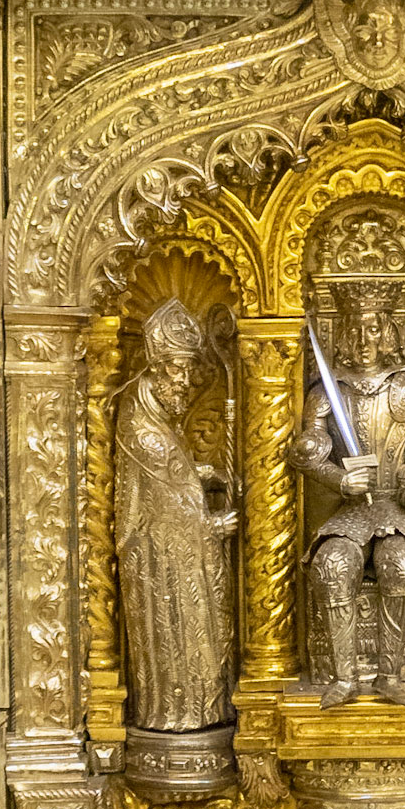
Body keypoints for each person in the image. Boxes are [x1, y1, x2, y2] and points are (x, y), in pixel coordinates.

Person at [289, 278, 405, 707]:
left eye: (375, 328)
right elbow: (308, 455)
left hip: (392, 508)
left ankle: (391, 675)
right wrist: (339, 479)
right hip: (349, 510)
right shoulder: (326, 393)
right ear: (347, 333)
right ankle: (343, 677)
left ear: (388, 330)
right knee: (333, 564)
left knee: (403, 564)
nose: (366, 338)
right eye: (358, 328)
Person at [114, 297, 236, 733]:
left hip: (173, 555)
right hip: (164, 564)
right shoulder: (145, 430)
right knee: (183, 641)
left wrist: (201, 474)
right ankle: (180, 717)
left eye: (187, 369)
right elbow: (169, 511)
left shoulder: (154, 412)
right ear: (153, 367)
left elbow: (174, 479)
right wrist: (214, 526)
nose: (183, 381)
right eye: (175, 370)